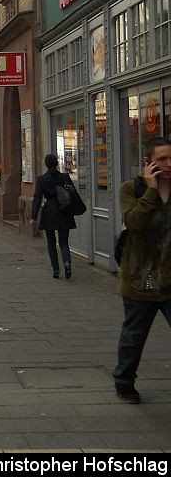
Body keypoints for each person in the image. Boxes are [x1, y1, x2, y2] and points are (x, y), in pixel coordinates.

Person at [112, 136, 171, 404]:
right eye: (162, 159)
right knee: (134, 336)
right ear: (148, 162)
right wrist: (150, 190)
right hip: (141, 278)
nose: (169, 164)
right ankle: (124, 381)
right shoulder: (131, 188)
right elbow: (134, 223)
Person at [29, 154, 76, 279]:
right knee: (64, 242)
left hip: (49, 211)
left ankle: (56, 270)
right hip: (64, 211)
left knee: (51, 243)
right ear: (56, 163)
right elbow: (72, 193)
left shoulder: (42, 179)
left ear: (46, 164)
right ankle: (67, 263)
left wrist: (33, 216)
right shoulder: (65, 177)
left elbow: (38, 198)